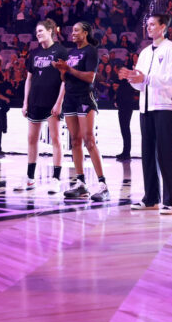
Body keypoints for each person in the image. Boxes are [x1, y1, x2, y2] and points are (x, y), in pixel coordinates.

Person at [120, 13, 172, 214]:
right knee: (147, 154)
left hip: (166, 105)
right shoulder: (145, 52)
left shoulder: (171, 49)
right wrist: (131, 78)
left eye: (152, 24)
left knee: (167, 154)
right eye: (147, 24)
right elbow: (141, 82)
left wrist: (145, 78)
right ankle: (151, 198)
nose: (148, 27)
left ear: (163, 27)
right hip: (146, 106)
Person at [56, 22, 110, 202]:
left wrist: (69, 69)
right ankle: (81, 183)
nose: (72, 33)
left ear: (85, 33)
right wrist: (63, 71)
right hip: (70, 98)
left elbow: (90, 77)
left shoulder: (91, 51)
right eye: (72, 30)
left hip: (84, 98)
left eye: (76, 30)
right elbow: (65, 78)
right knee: (74, 141)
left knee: (89, 140)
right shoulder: (70, 53)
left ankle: (103, 185)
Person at [14, 20, 67, 193]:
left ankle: (56, 179)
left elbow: (65, 79)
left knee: (56, 139)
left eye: (41, 30)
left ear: (51, 31)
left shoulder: (60, 51)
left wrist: (59, 102)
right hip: (35, 101)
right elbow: (28, 79)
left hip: (52, 102)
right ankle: (30, 178)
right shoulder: (34, 53)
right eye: (36, 31)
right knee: (31, 139)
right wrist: (25, 102)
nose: (38, 33)